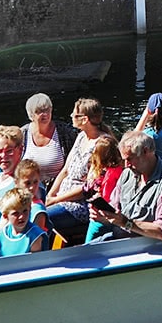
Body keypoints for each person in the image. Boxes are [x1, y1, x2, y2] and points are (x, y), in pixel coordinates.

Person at [90, 132, 162, 242]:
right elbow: (114, 208)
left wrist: (127, 223)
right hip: (117, 239)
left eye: (129, 159)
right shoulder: (127, 174)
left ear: (146, 152)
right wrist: (103, 215)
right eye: (124, 160)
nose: (126, 165)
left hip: (143, 247)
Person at [49, 99, 118, 231]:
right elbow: (65, 171)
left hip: (79, 204)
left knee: (41, 218)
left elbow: (89, 187)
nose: (71, 116)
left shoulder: (102, 144)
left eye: (75, 115)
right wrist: (51, 195)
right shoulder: (81, 136)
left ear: (85, 119)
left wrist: (56, 200)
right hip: (61, 197)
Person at [21, 93, 72, 189]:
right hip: (29, 189)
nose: (44, 114)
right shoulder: (23, 133)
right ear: (31, 114)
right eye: (39, 111)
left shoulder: (64, 132)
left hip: (60, 189)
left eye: (47, 110)